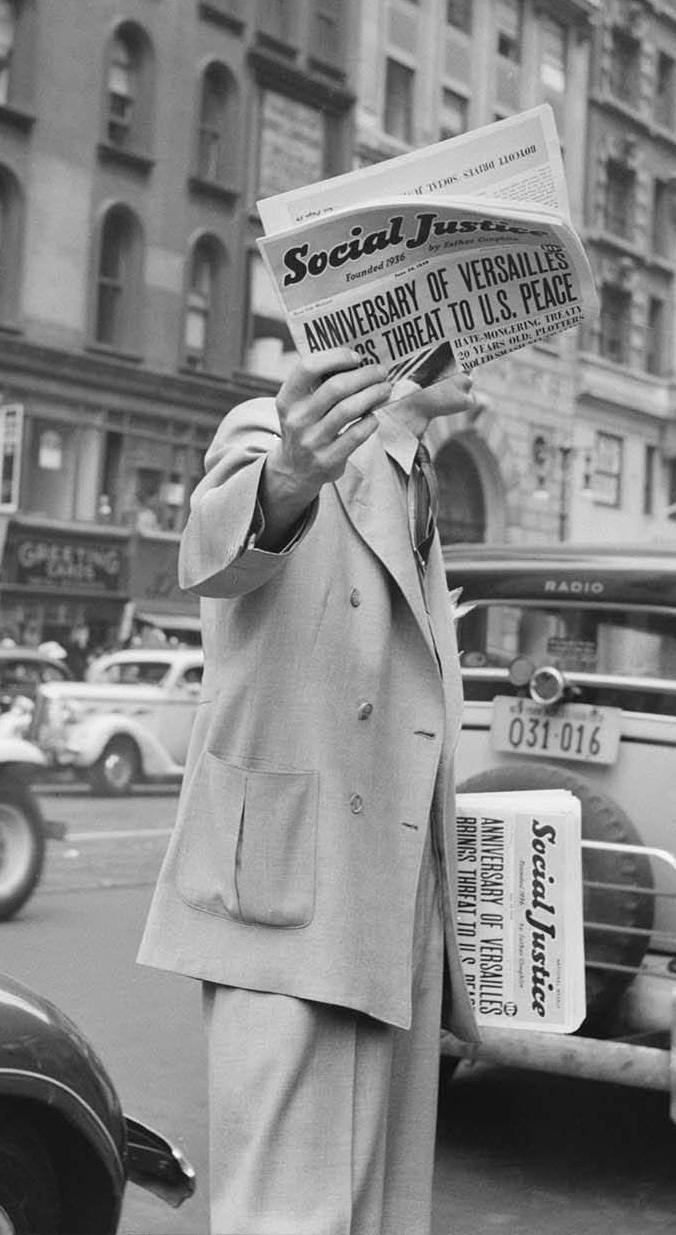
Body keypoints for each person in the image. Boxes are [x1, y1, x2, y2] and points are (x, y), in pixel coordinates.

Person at [137, 345, 481, 1235]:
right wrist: (289, 469)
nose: (482, 359)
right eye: (462, 333)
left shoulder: (416, 471)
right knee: (288, 1216)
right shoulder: (276, 428)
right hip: (290, 895)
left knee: (374, 1212)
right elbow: (211, 555)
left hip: (389, 900)